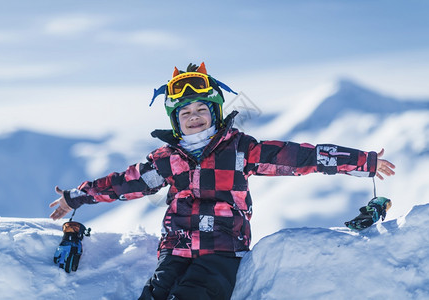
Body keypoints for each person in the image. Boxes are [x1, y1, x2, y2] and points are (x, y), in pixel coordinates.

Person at [49, 62, 395, 300]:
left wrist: (363, 161)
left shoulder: (241, 150)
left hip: (223, 250)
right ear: (175, 123)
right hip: (174, 248)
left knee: (197, 294)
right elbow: (123, 184)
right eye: (184, 113)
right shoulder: (167, 160)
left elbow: (301, 157)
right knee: (155, 292)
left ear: (215, 113)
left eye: (201, 109)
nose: (194, 117)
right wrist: (76, 197)